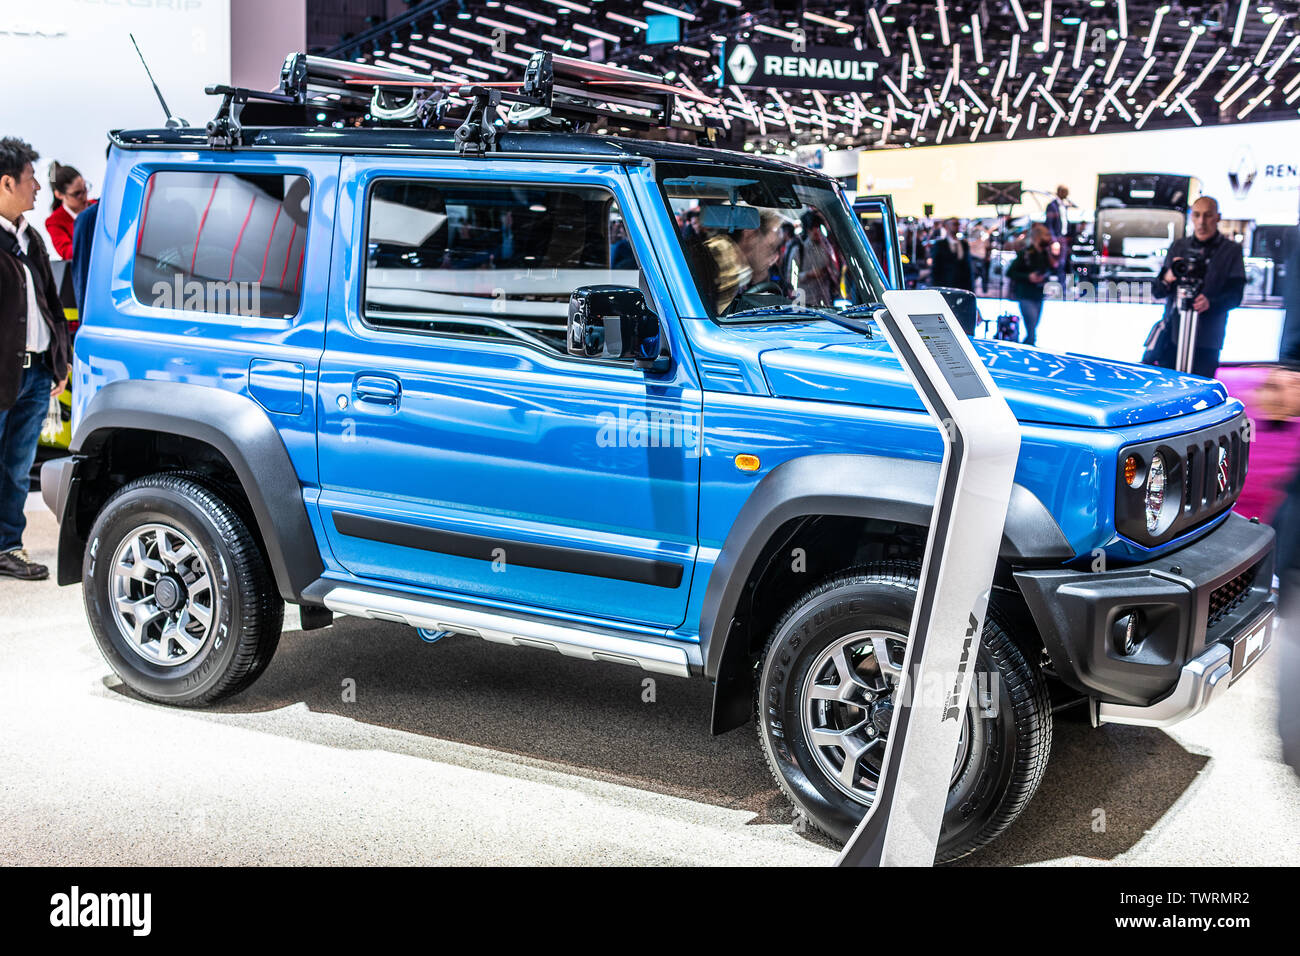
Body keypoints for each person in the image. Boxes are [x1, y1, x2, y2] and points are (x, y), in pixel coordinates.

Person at [0, 137, 71, 580]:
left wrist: (58, 360)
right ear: (6, 183)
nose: (38, 188)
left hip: (36, 373)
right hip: (2, 375)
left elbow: (50, 303)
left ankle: (8, 546)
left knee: (17, 467)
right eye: (30, 179)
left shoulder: (30, 238)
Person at [1143, 196, 1246, 380]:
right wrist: (1168, 277)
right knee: (1167, 388)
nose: (1201, 222)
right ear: (1191, 217)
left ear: (1217, 217)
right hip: (1173, 335)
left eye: (1207, 215)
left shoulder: (1231, 251)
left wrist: (1210, 303)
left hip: (1207, 339)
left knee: (1199, 390)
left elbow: (1235, 295)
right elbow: (1157, 291)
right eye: (1197, 215)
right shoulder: (1179, 247)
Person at [1006, 223, 1053, 346]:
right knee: (1031, 331)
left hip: (1038, 294)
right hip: (1025, 294)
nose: (1049, 238)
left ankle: (1026, 347)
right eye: (1046, 235)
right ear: (1038, 237)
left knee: (1033, 328)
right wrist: (1028, 277)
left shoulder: (1045, 253)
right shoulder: (1025, 253)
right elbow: (1010, 272)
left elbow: (1051, 269)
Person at [44, 161, 94, 261]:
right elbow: (67, 252)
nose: (84, 196)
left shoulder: (97, 206)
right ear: (59, 195)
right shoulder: (54, 222)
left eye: (85, 189)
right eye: (77, 193)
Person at [929, 217, 973, 291]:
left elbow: (968, 266)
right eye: (954, 224)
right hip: (946, 285)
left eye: (958, 224)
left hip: (963, 286)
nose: (957, 227)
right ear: (946, 227)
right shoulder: (940, 245)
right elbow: (935, 268)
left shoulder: (964, 244)